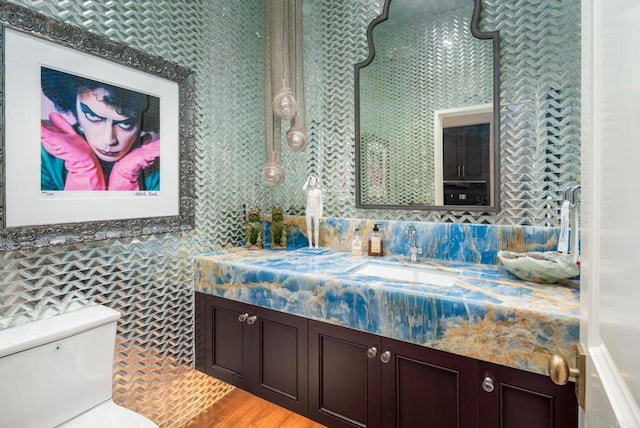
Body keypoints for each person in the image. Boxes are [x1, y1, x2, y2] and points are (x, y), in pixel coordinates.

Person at [40, 67, 160, 191]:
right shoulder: (46, 153)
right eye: (92, 116)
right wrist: (83, 170)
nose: (108, 140)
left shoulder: (159, 167)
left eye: (126, 124)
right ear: (74, 104)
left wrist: (125, 178)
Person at [303, 174, 323, 249]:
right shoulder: (308, 191)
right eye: (310, 180)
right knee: (309, 228)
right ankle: (310, 245)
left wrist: (320, 215)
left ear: (316, 182)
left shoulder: (318, 192)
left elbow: (321, 204)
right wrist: (308, 179)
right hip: (308, 210)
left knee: (316, 228)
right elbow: (303, 188)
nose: (311, 182)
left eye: (313, 180)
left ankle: (316, 245)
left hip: (316, 211)